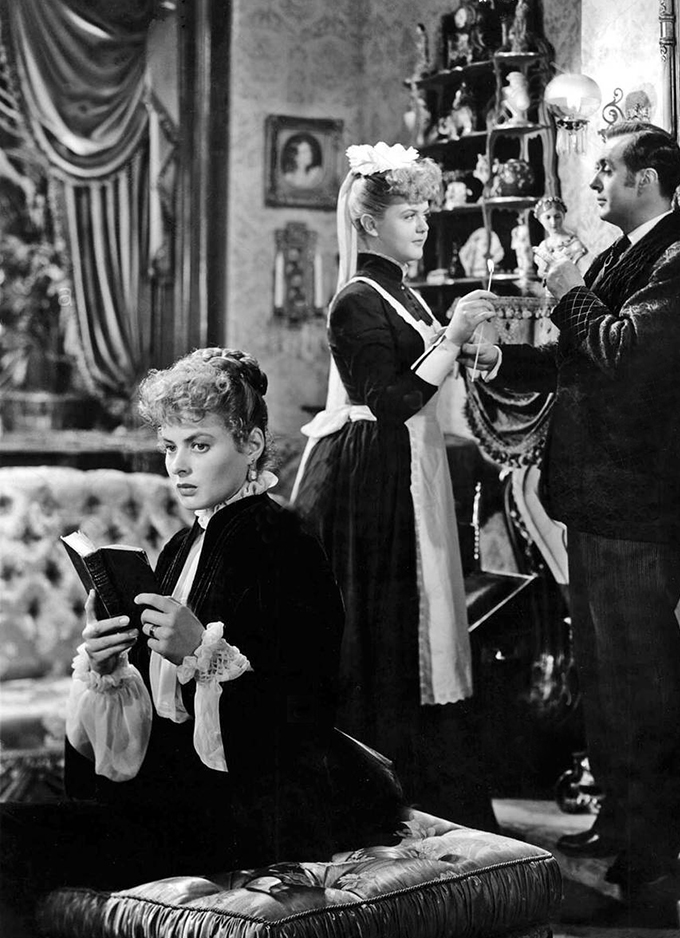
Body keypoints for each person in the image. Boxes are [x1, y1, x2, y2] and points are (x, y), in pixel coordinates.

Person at [1, 348, 405, 909]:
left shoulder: (288, 544)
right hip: (173, 798)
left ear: (251, 445)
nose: (178, 467)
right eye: (170, 447)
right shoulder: (180, 546)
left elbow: (304, 714)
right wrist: (109, 665)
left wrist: (204, 654)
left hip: (253, 815)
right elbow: (160, 712)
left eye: (199, 444)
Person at [464, 122, 680, 890]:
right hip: (592, 503)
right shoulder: (615, 256)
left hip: (637, 507)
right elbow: (574, 359)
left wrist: (570, 289)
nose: (595, 182)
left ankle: (653, 845)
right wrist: (506, 359)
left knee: (641, 677)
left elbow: (622, 354)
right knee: (603, 674)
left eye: (607, 169)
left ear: (648, 179)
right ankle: (619, 814)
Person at [291, 140, 498, 829]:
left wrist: (472, 348)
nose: (424, 225)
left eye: (425, 212)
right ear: (369, 222)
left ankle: (433, 803)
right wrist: (453, 337)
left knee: (424, 620)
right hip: (373, 478)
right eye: (410, 214)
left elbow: (420, 377)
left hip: (408, 465)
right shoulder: (356, 299)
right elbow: (387, 400)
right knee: (387, 631)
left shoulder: (400, 292)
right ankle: (381, 805)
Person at [531, 196, 588, 278]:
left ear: (563, 216)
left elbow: (583, 271)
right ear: (540, 220)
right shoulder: (543, 246)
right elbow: (541, 274)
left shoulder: (574, 244)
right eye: (548, 217)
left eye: (557, 217)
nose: (553, 222)